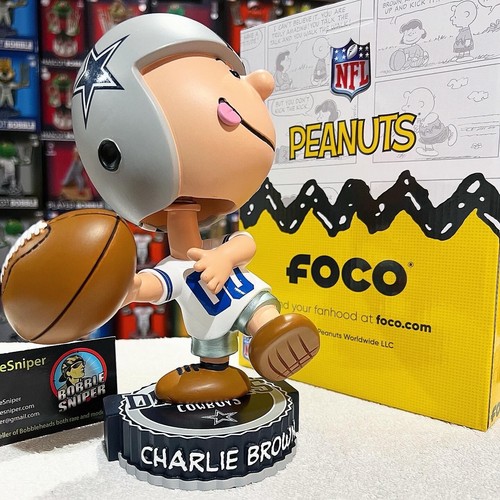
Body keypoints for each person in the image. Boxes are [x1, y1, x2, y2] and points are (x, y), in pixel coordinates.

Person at [71, 14, 319, 404]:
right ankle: (218, 372)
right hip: (208, 327)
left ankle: (272, 332)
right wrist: (125, 291)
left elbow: (246, 244)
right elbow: (152, 287)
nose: (260, 84)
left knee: (256, 313)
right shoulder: (176, 268)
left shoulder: (216, 248)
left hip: (245, 299)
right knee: (212, 349)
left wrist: (223, 258)